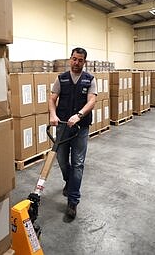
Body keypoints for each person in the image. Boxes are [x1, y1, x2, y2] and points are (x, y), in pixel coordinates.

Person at [49, 47, 97, 220]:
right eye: (74, 59)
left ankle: (73, 201)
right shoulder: (61, 78)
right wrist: (53, 115)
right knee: (62, 160)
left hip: (81, 127)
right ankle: (69, 182)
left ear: (85, 62)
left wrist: (78, 115)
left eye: (80, 60)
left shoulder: (89, 79)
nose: (77, 63)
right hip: (62, 126)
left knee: (77, 163)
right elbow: (52, 99)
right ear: (70, 59)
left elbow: (92, 100)